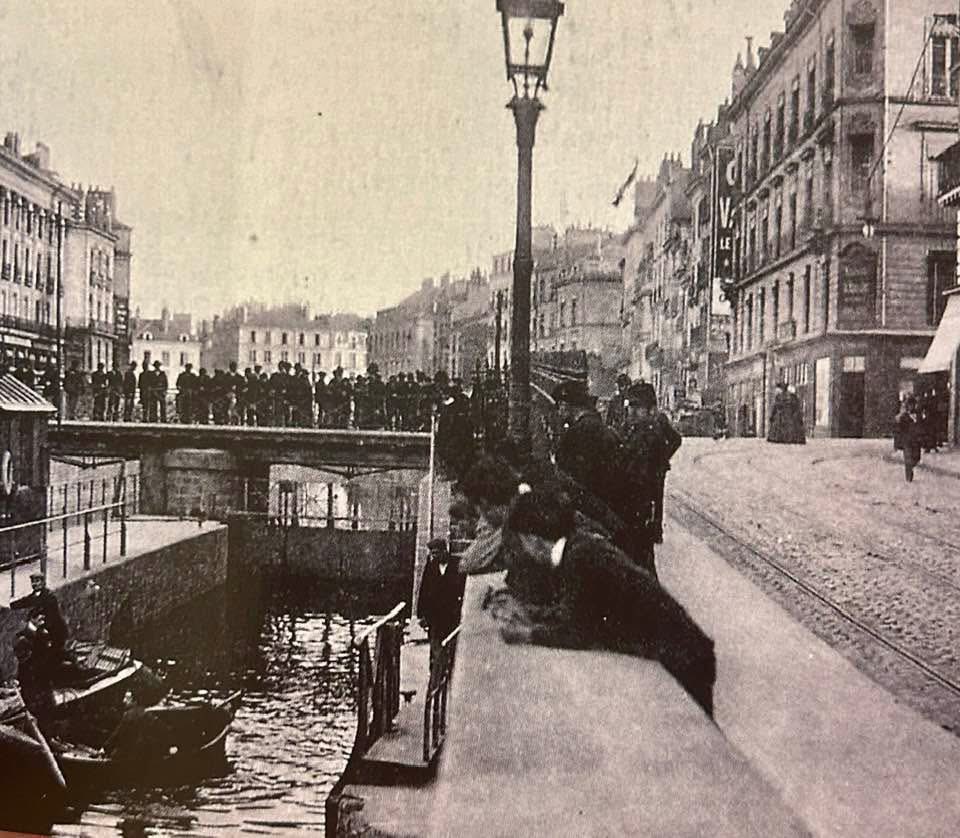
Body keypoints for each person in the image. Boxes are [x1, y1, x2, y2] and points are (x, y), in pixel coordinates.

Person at [500, 486, 716, 717]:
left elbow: (578, 632)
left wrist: (527, 634)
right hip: (684, 650)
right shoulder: (578, 547)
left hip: (681, 657)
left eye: (522, 541)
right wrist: (531, 615)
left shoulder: (578, 558)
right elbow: (576, 611)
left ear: (533, 539)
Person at [417, 538, 465, 686]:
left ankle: (449, 678)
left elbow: (463, 589)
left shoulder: (457, 565)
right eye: (432, 554)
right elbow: (423, 590)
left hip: (452, 615)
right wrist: (421, 615)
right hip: (435, 616)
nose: (434, 556)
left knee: (452, 647)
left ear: (445, 551)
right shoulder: (431, 566)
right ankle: (435, 680)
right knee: (435, 648)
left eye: (437, 553)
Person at [12, 573, 69, 659]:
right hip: (43, 626)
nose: (34, 584)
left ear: (43, 582)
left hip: (55, 630)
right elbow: (25, 601)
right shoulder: (35, 595)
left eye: (37, 581)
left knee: (54, 654)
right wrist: (11, 605)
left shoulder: (49, 597)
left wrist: (44, 626)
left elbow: (51, 616)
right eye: (33, 582)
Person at [896, 396, 922, 483]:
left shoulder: (919, 414)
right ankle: (909, 475)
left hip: (916, 440)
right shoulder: (904, 416)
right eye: (910, 405)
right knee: (908, 458)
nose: (912, 407)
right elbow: (899, 429)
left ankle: (911, 466)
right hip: (907, 440)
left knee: (917, 457)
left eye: (913, 405)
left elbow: (922, 426)